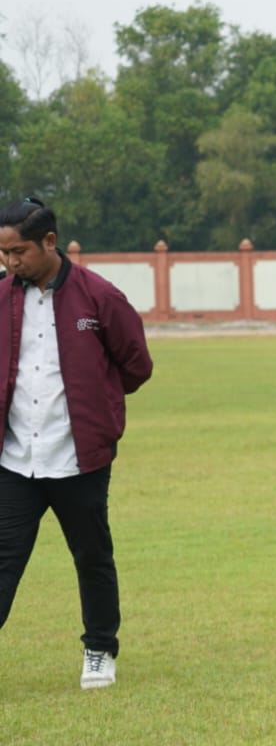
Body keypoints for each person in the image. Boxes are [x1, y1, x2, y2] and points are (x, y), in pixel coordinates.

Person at [0, 198, 152, 689]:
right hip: (15, 459)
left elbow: (136, 365)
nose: (11, 263)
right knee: (5, 559)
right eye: (3, 254)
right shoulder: (2, 299)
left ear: (49, 241)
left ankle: (100, 650)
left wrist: (98, 408)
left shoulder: (99, 296)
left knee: (91, 556)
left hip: (79, 459)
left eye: (18, 251)